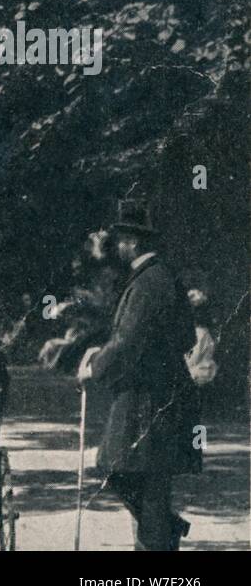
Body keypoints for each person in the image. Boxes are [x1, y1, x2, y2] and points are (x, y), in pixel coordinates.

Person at [77, 198, 201, 551]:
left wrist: (94, 367)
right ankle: (163, 535)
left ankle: (161, 541)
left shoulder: (148, 283)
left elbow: (128, 342)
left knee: (127, 475)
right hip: (161, 396)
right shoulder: (162, 277)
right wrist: (101, 352)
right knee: (145, 484)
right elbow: (185, 337)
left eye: (119, 240)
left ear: (132, 242)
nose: (115, 246)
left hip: (147, 401)